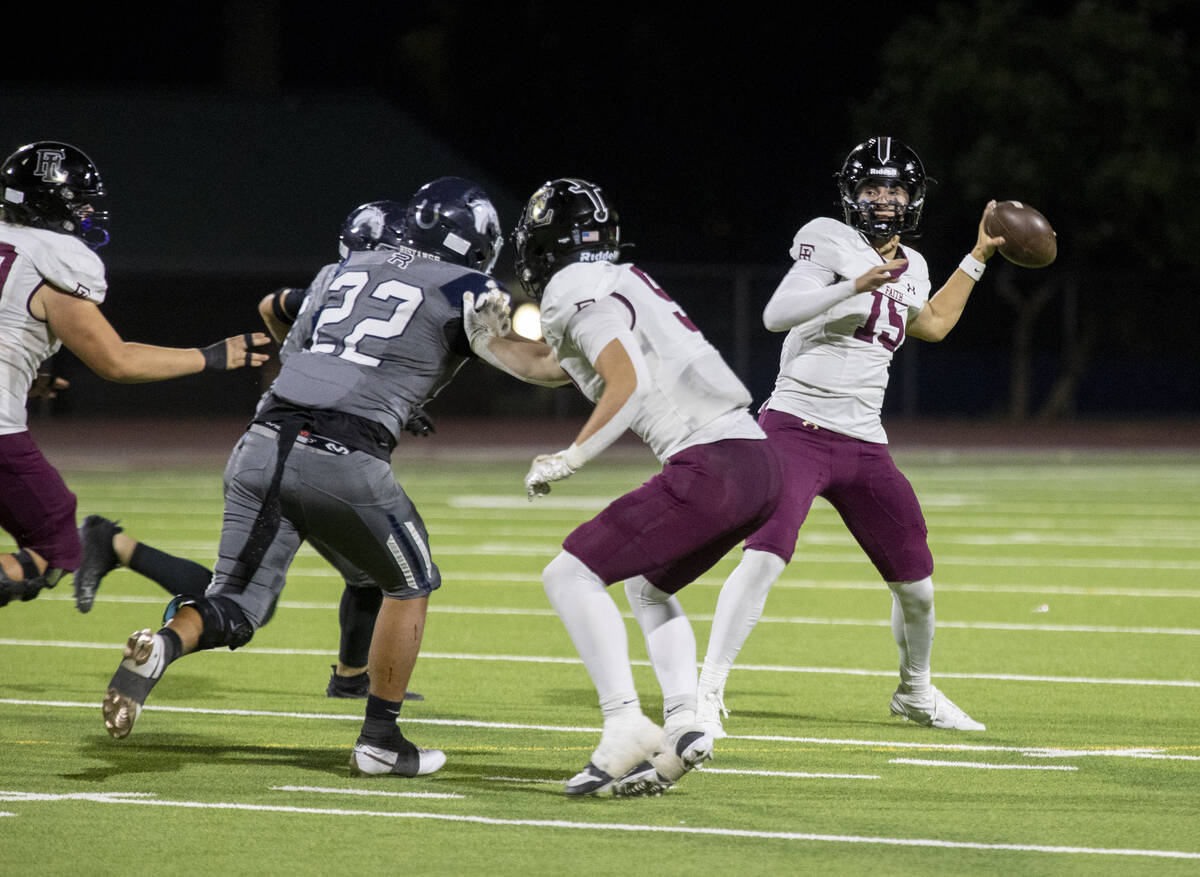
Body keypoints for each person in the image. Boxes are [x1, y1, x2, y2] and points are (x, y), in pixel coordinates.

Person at [99, 178, 535, 778]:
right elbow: (529, 364)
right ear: (479, 241)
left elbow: (302, 335)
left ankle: (165, 645)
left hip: (259, 444)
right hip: (342, 453)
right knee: (410, 582)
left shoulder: (345, 268)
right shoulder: (469, 286)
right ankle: (381, 740)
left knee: (236, 603)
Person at [462, 177, 782, 797]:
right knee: (648, 587)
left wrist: (571, 454)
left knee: (568, 574)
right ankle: (686, 724)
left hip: (709, 462)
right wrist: (487, 343)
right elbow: (559, 365)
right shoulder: (614, 280)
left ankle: (624, 723)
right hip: (757, 463)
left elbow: (625, 380)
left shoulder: (568, 288)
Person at [697, 137, 1003, 736]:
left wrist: (979, 255)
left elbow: (934, 324)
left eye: (895, 189)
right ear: (851, 195)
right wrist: (855, 284)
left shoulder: (912, 266)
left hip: (865, 442)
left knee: (916, 584)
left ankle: (914, 692)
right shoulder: (827, 240)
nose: (883, 199)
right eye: (872, 188)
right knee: (763, 558)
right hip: (795, 429)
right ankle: (704, 692)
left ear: (912, 198)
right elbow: (776, 314)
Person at [74, 201, 434, 702]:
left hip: (269, 445)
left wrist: (302, 358)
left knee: (248, 592)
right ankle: (370, 716)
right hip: (331, 454)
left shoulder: (333, 287)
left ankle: (348, 677)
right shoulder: (405, 290)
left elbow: (273, 304)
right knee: (366, 579)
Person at [0, 140, 269, 609]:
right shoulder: (50, 257)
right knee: (54, 542)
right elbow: (115, 361)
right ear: (49, 202)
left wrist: (24, 376)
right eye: (77, 201)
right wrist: (209, 356)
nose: (86, 211)